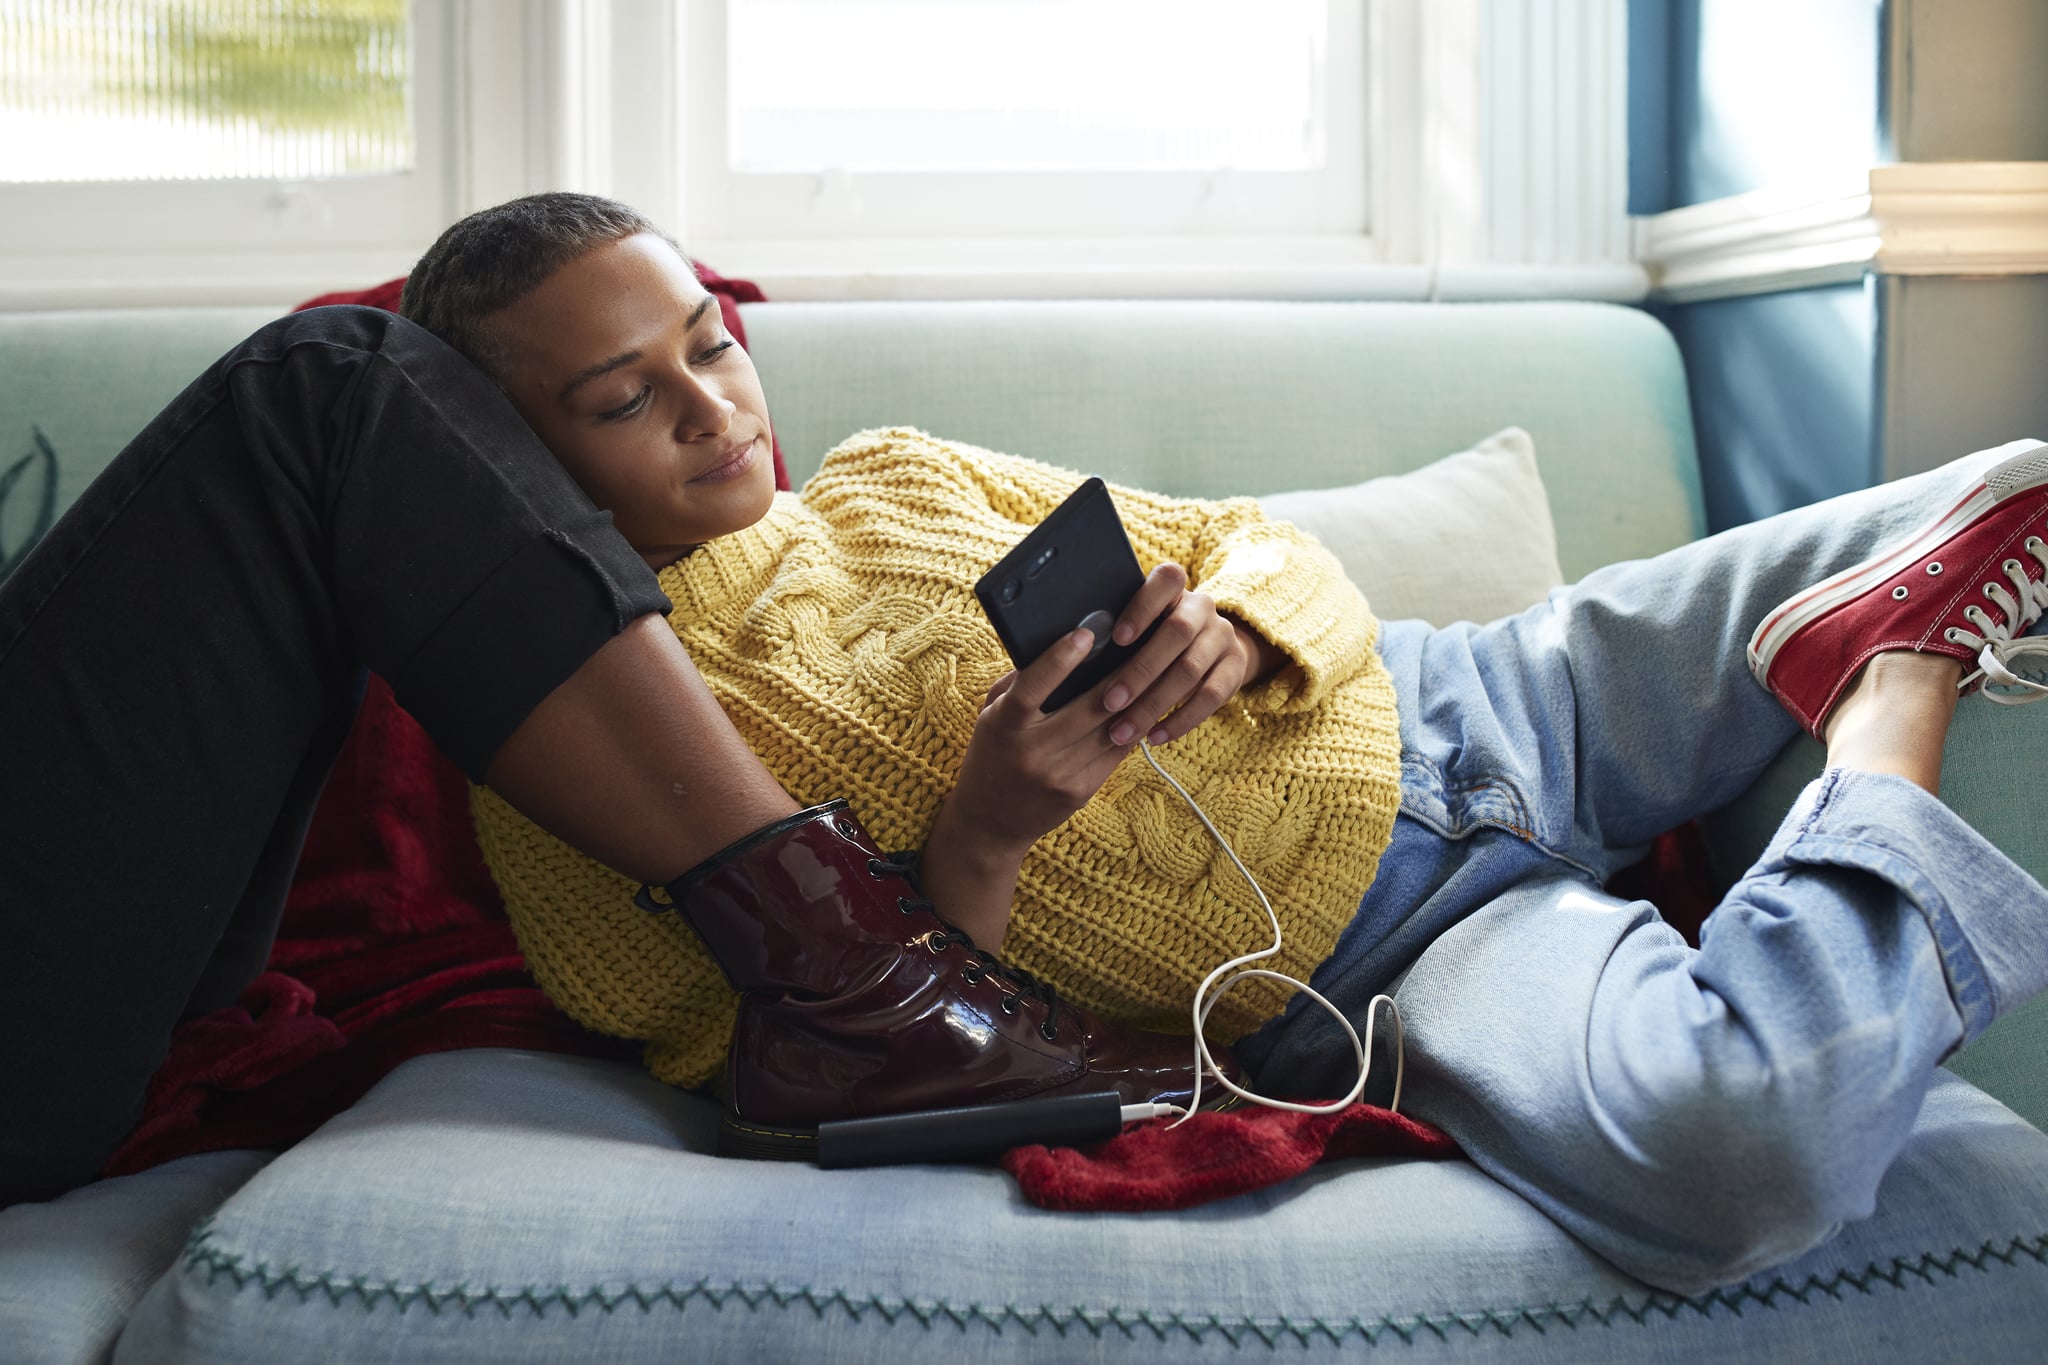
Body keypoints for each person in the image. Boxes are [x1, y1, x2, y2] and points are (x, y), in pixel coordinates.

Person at [2, 194, 2043, 1299]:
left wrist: (1245, 617)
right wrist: (972, 846)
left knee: (1996, 481)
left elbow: (1241, 543)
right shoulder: (559, 772)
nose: (714, 406)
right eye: (623, 401)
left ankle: (1882, 611)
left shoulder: (890, 478)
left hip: (1488, 698)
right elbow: (719, 1046)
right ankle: (1889, 718)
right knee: (1736, 1157)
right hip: (1398, 964)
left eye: (709, 344)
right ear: (504, 474)